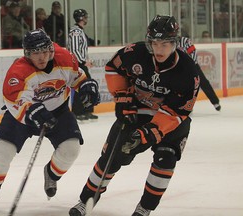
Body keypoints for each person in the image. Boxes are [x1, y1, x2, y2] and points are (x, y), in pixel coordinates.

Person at [69, 15, 200, 216]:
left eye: (164, 44)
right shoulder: (136, 53)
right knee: (111, 157)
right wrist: (123, 98)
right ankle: (85, 200)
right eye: (155, 43)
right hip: (135, 111)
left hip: (171, 119)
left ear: (174, 43)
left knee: (166, 158)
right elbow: (114, 68)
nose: (159, 49)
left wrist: (152, 130)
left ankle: (145, 208)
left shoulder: (188, 71)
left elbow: (179, 110)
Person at [0, 29, 100, 211]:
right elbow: (15, 99)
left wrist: (86, 85)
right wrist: (31, 110)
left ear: (51, 49)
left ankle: (51, 174)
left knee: (71, 149)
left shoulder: (64, 57)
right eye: (35, 53)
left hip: (58, 111)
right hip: (21, 116)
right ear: (27, 54)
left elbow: (76, 77)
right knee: (1, 153)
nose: (41, 57)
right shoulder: (18, 71)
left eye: (45, 51)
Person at [67, 9, 98, 122]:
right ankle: (79, 111)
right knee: (81, 87)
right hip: (78, 64)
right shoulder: (75, 32)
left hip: (81, 63)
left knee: (87, 86)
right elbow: (74, 50)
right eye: (85, 17)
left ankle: (86, 110)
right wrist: (83, 62)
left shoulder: (80, 31)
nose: (86, 19)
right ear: (81, 18)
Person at [178, 36, 221, 111]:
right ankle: (185, 105)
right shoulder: (169, 42)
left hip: (192, 65)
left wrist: (190, 64)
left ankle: (215, 102)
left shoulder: (185, 41)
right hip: (180, 67)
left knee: (203, 82)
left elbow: (193, 52)